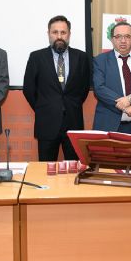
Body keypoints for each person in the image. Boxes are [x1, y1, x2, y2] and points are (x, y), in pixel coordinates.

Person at [23, 15, 91, 161]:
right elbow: (29, 89)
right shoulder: (36, 57)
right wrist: (44, 107)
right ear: (48, 34)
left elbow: (84, 88)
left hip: (73, 123)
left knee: (74, 168)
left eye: (63, 32)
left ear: (69, 34)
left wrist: (71, 104)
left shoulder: (82, 57)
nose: (59, 36)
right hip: (46, 123)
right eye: (55, 32)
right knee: (46, 169)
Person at [93, 22, 131, 136]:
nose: (123, 40)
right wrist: (125, 106)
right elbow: (99, 88)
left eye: (127, 36)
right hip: (109, 124)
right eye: (118, 36)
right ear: (112, 39)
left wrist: (130, 99)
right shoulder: (100, 60)